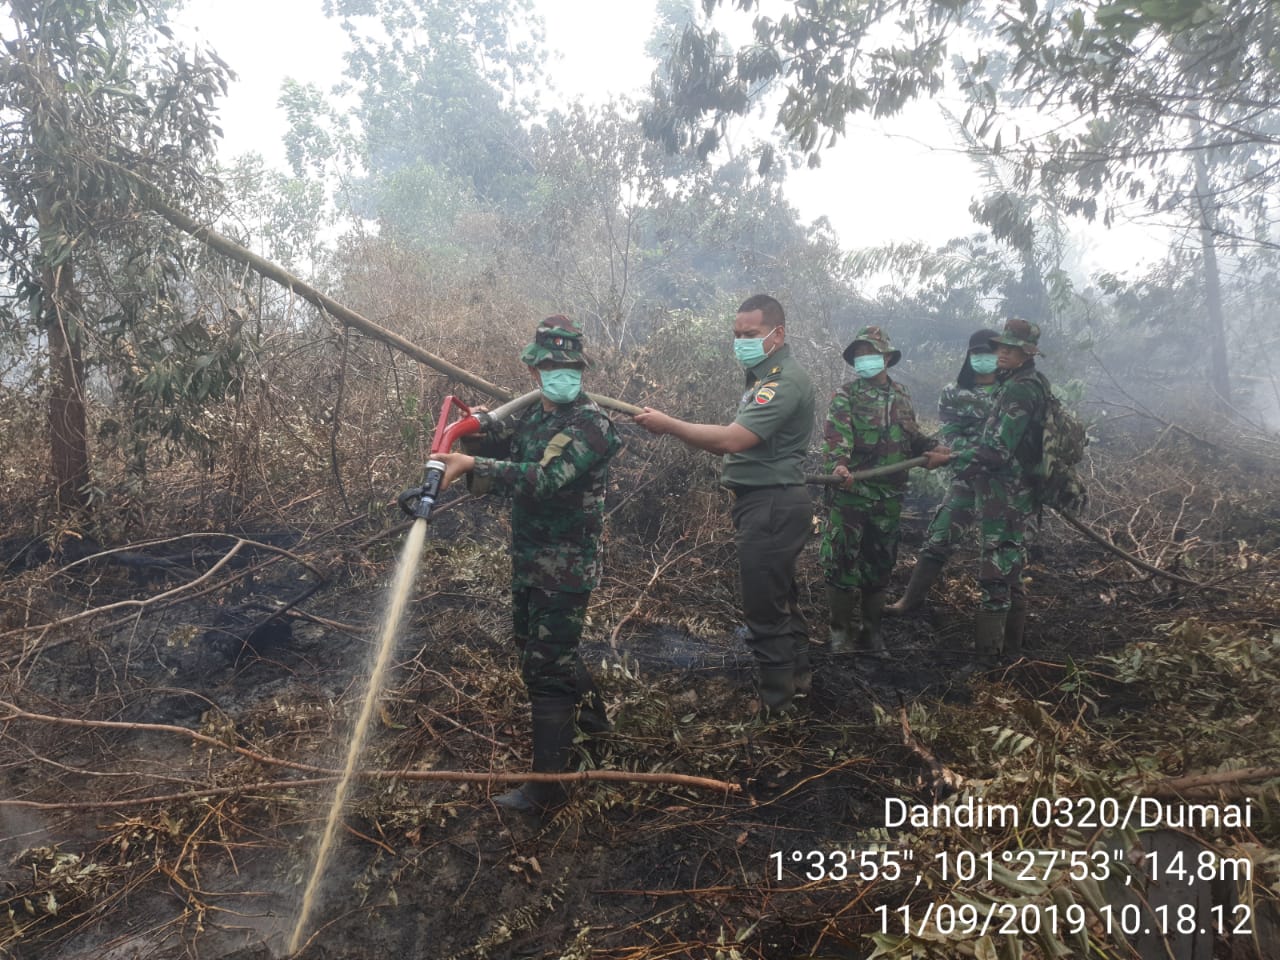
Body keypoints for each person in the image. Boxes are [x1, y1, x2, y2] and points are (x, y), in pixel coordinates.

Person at [436, 316, 622, 814]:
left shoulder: (592, 425)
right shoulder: (536, 417)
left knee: (546, 668)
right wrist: (479, 433)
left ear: (581, 370)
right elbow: (508, 451)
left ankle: (547, 788)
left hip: (567, 566)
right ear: (534, 370)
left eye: (571, 367)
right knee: (542, 652)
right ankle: (596, 733)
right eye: (553, 367)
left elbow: (544, 478)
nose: (563, 375)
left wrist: (473, 465)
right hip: (531, 558)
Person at [633, 294, 815, 715]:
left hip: (772, 504)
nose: (741, 342)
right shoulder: (761, 377)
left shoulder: (783, 381)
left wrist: (669, 425)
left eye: (750, 334)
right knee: (780, 595)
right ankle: (798, 680)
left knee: (764, 607)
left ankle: (776, 707)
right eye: (737, 335)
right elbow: (734, 444)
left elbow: (733, 439)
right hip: (765, 502)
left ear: (777, 334)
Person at [819, 326, 950, 655]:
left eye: (871, 353)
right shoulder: (846, 395)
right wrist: (839, 466)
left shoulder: (902, 395)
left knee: (880, 563)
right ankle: (840, 634)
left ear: (887, 358)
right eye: (859, 355)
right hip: (851, 494)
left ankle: (872, 632)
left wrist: (933, 449)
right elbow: (836, 437)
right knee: (841, 561)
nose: (864, 359)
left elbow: (913, 437)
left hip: (889, 497)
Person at [952, 317, 1051, 658]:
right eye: (1001, 347)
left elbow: (997, 450)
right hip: (1016, 492)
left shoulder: (1020, 388)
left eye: (1012, 349)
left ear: (1028, 353)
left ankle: (989, 661)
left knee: (995, 573)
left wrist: (952, 457)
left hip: (1006, 495)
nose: (1003, 353)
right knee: (1012, 570)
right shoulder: (1028, 381)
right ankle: (1011, 653)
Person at [886, 329, 1001, 615]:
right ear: (969, 356)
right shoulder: (954, 392)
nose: (983, 358)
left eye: (988, 352)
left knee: (1003, 549)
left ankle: (1001, 617)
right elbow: (951, 434)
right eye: (977, 353)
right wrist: (972, 456)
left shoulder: (1011, 391)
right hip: (967, 478)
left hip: (1005, 484)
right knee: (939, 538)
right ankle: (909, 602)